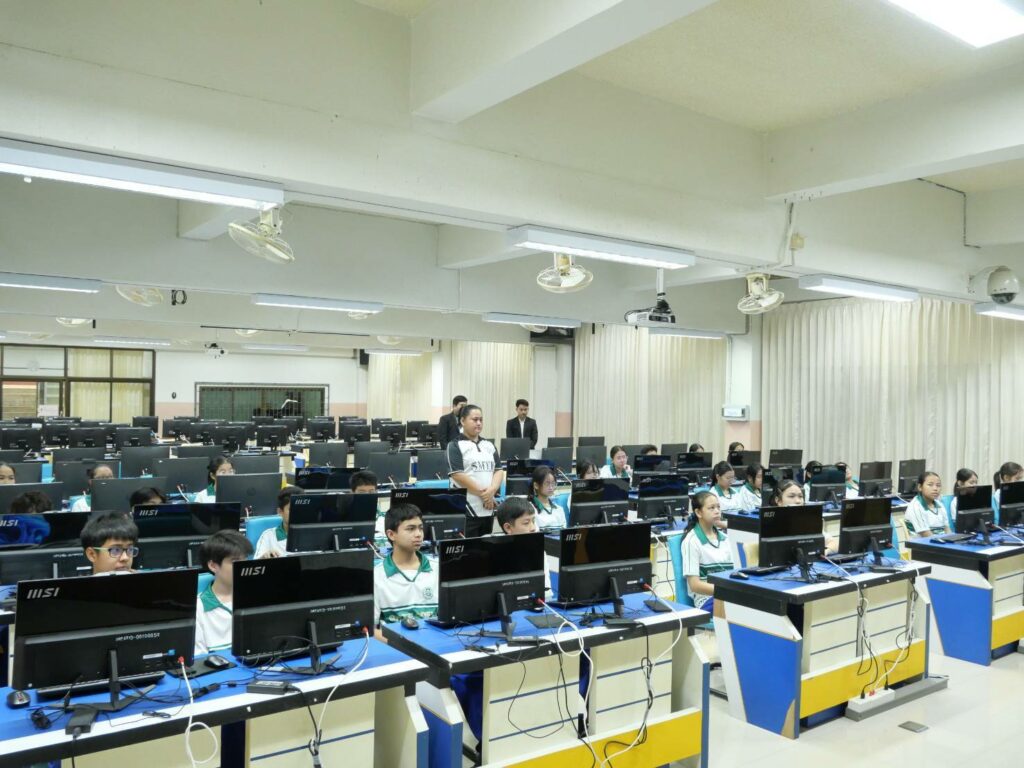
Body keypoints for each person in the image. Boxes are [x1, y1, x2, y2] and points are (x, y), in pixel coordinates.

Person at [373, 503, 436, 631]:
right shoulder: (376, 576)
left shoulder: (438, 569)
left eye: (420, 528)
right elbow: (372, 630)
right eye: (410, 529)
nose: (418, 534)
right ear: (391, 535)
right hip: (394, 643)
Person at [447, 404, 503, 535]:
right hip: (465, 509)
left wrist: (492, 491)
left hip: (487, 508)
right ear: (462, 421)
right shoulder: (454, 445)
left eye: (481, 420)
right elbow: (457, 475)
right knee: (468, 547)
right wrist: (486, 496)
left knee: (485, 545)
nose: (479, 423)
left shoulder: (489, 445)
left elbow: (498, 470)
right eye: (475, 419)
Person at [195, 529, 253, 655]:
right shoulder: (198, 608)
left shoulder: (255, 597)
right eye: (235, 561)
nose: (243, 567)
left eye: (245, 560)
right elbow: (200, 660)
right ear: (213, 566)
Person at [682, 491, 732, 614]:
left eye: (718, 507)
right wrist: (726, 592)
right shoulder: (691, 541)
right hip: (707, 601)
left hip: (728, 595)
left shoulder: (725, 539)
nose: (717, 511)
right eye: (711, 508)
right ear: (698, 512)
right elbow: (695, 585)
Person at [254, 484, 300, 559]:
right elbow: (255, 563)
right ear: (280, 511)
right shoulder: (268, 536)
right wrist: (264, 557)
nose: (297, 513)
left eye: (300, 508)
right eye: (291, 509)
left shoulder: (313, 535)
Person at [904, 471, 949, 537]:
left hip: (942, 541)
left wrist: (953, 540)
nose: (935, 489)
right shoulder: (916, 506)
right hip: (924, 542)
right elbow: (926, 535)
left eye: (938, 485)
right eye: (930, 485)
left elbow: (947, 529)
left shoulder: (940, 504)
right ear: (920, 487)